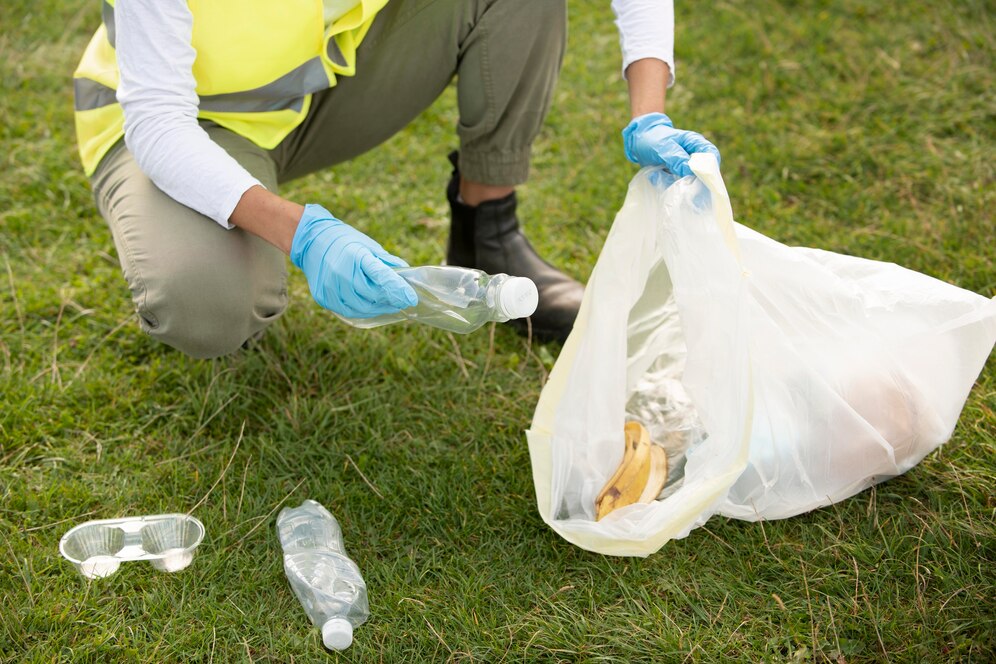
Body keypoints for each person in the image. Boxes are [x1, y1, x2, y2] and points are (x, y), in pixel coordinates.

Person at [73, 0, 719, 359]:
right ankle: (225, 244)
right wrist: (304, 234)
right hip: (184, 121)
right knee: (205, 304)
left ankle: (486, 231)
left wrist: (649, 110)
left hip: (314, 87)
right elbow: (158, 122)